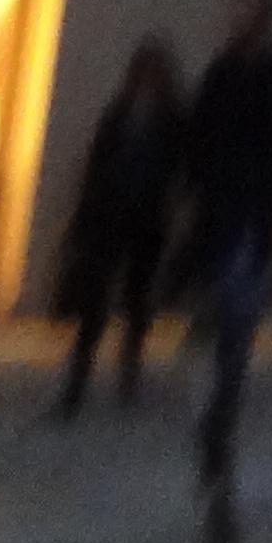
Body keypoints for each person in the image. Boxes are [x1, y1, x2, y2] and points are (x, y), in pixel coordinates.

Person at [180, 0, 272, 506]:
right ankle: (215, 388)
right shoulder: (221, 71)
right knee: (221, 291)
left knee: (238, 297)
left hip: (255, 202)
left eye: (246, 12)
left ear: (263, 18)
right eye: (236, 11)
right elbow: (201, 135)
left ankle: (224, 393)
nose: (237, 20)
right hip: (220, 201)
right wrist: (191, 192)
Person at [50, 38, 185, 415]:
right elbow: (96, 170)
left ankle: (126, 370)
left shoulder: (168, 120)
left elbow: (175, 171)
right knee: (96, 305)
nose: (148, 82)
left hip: (144, 222)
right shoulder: (120, 114)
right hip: (111, 221)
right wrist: (83, 221)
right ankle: (79, 383)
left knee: (136, 300)